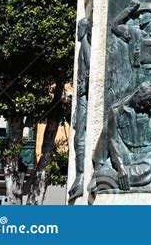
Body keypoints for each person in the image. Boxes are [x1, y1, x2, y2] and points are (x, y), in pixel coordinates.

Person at [91, 82, 151, 192]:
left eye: (146, 106)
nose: (143, 108)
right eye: (142, 104)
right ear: (137, 95)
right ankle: (98, 171)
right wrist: (120, 167)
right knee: (108, 128)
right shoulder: (116, 110)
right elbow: (114, 141)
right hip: (127, 153)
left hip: (148, 155)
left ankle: (104, 178)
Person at [68, 18, 91, 200]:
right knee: (78, 138)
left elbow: (91, 69)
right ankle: (79, 175)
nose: (78, 31)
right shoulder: (82, 46)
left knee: (80, 139)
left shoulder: (85, 45)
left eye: (80, 28)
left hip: (87, 99)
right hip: (82, 100)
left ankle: (82, 175)